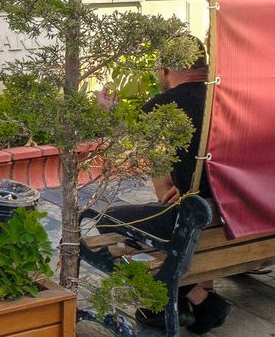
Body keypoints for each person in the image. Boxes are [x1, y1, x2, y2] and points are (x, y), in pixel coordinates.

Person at [90, 51, 230, 334]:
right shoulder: (227, 96)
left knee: (108, 221)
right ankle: (188, 299)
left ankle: (198, 300)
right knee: (168, 216)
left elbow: (129, 144)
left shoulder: (166, 104)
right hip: (233, 213)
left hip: (199, 217)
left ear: (166, 70)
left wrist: (108, 112)